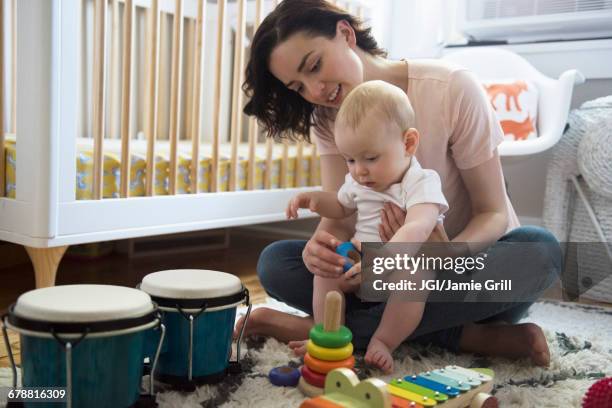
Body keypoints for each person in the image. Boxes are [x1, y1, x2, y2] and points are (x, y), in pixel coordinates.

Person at [234, 0, 561, 370]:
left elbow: (493, 212)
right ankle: (470, 338)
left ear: (345, 34)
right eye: (298, 86)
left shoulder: (451, 88)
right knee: (275, 262)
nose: (315, 90)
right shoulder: (327, 120)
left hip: (464, 270)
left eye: (314, 66)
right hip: (380, 272)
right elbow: (341, 216)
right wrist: (320, 250)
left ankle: (318, 329)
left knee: (541, 251)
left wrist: (446, 254)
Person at [285, 80, 448, 372]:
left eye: (371, 158)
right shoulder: (358, 181)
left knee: (416, 277)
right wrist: (314, 200)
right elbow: (340, 206)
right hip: (359, 262)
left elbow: (418, 226)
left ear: (408, 143)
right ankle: (328, 334)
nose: (359, 170)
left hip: (399, 266)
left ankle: (383, 340)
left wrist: (386, 256)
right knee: (324, 271)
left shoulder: (421, 181)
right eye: (350, 159)